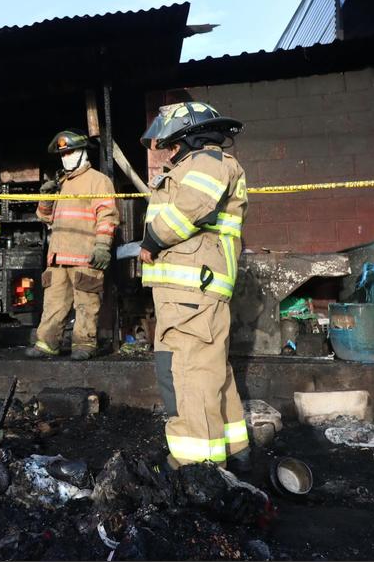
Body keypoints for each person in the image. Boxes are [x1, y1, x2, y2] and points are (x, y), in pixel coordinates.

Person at [138, 102, 251, 472]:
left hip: (190, 295)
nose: (167, 152)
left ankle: (195, 465)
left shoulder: (205, 162)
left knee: (188, 372)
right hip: (193, 294)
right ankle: (234, 451)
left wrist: (151, 241)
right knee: (211, 371)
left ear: (187, 136)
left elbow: (191, 207)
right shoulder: (204, 164)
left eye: (170, 144)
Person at [26, 130, 119, 360]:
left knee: (87, 304)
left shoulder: (98, 181)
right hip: (58, 258)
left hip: (86, 257)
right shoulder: (61, 183)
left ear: (82, 152)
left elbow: (107, 216)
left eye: (70, 152)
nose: (66, 156)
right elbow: (45, 218)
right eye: (63, 153)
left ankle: (84, 345)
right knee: (54, 304)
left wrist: (102, 246)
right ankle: (47, 344)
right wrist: (46, 199)